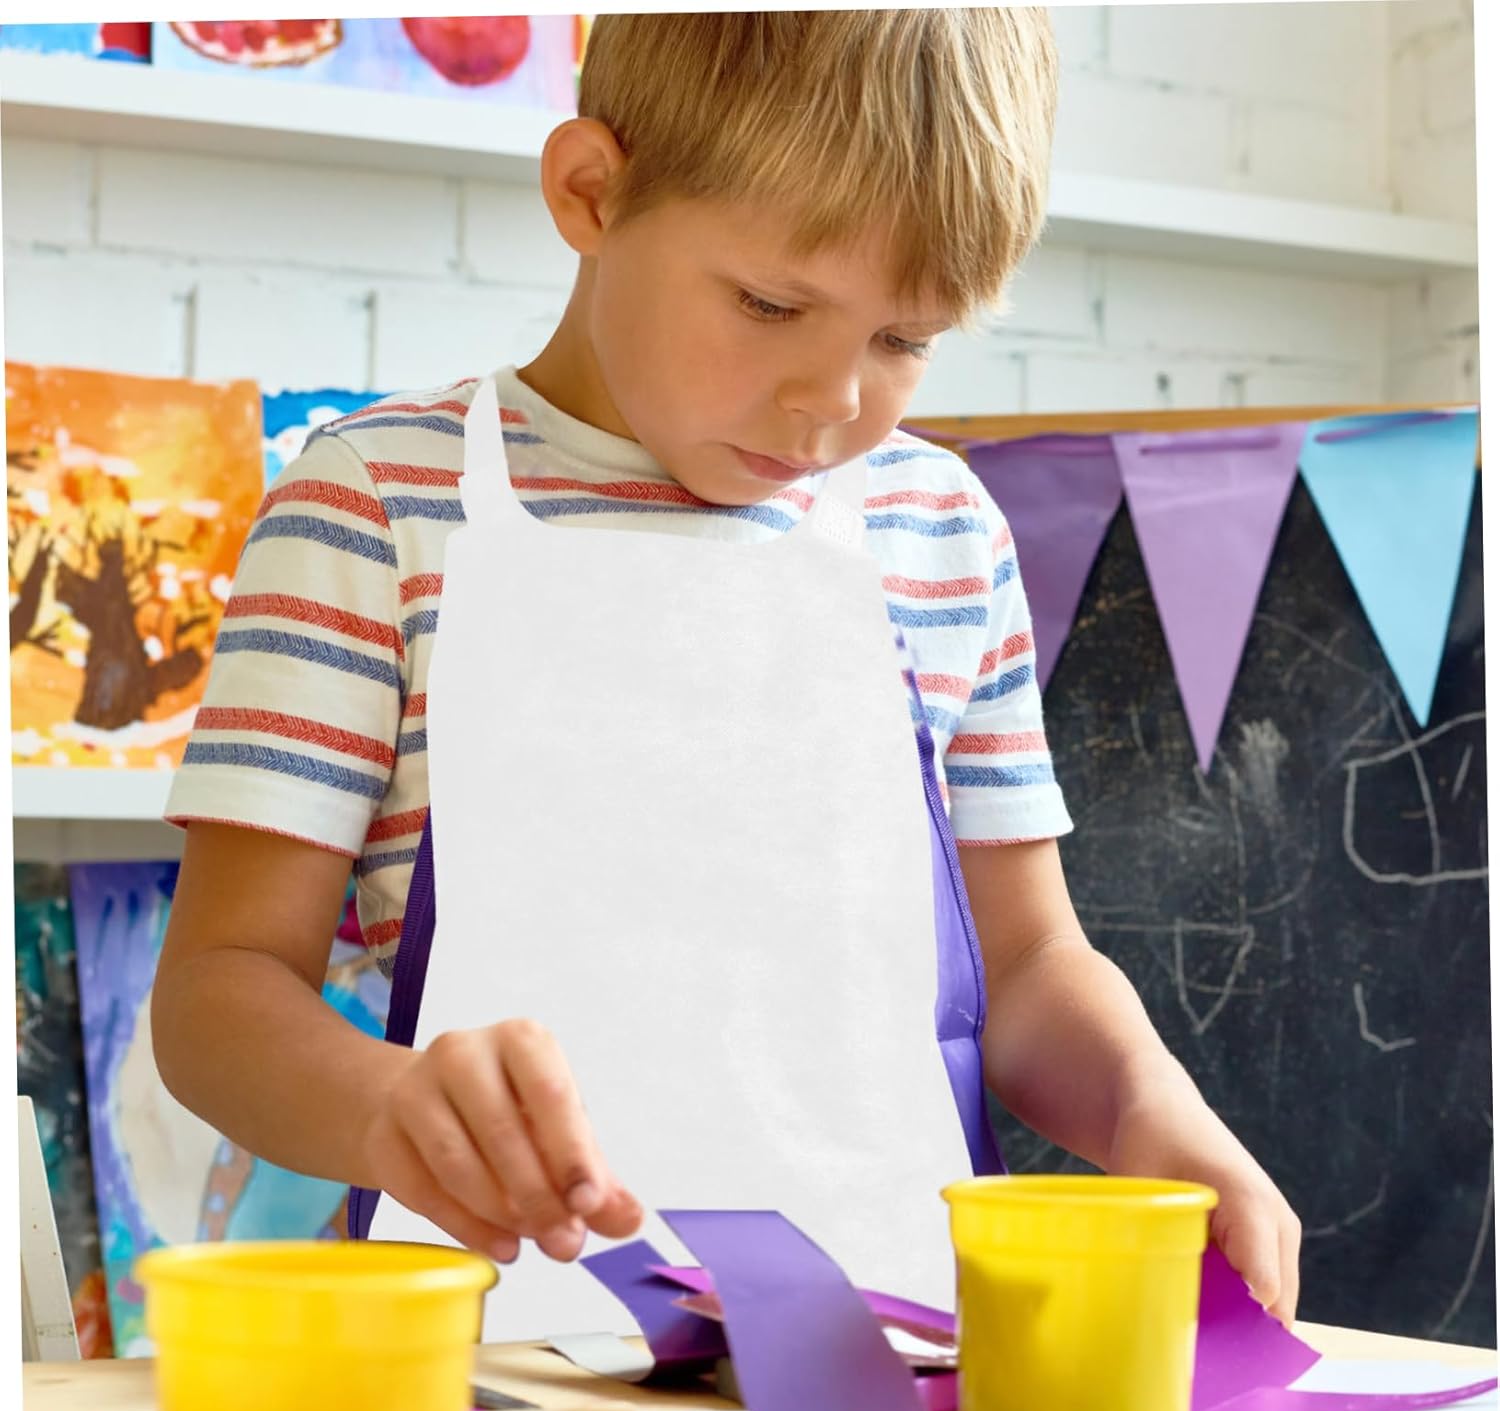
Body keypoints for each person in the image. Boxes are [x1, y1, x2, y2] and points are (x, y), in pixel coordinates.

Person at [153, 10, 1300, 1333]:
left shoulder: (940, 530)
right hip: (505, 1362)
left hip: (902, 1350)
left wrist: (1151, 1109)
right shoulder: (372, 509)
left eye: (905, 339)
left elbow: (1031, 965)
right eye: (772, 306)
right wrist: (388, 1108)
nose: (833, 399)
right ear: (591, 191)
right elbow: (220, 992)